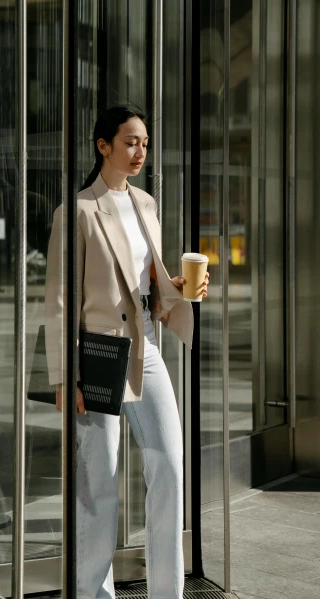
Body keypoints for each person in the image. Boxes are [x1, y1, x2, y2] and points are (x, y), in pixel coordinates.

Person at [44, 106, 209, 599]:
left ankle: (166, 593)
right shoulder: (75, 212)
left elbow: (147, 290)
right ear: (103, 146)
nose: (139, 151)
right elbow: (58, 301)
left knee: (170, 467)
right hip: (98, 355)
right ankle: (94, 594)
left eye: (144, 142)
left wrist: (179, 290)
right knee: (99, 479)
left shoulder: (147, 205)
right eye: (130, 141)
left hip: (149, 351)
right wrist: (65, 375)